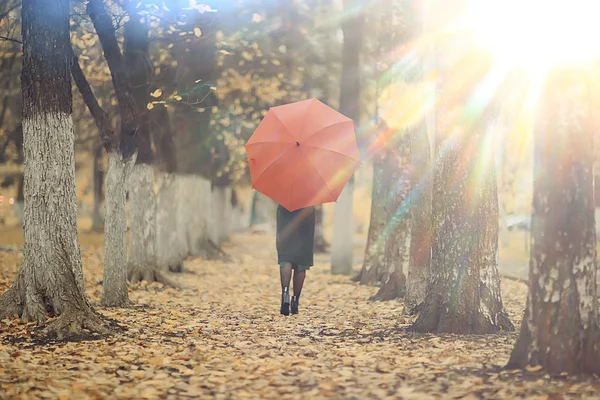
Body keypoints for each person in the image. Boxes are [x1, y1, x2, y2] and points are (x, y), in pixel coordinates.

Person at [276, 204, 315, 316]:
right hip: (306, 216)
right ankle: (295, 301)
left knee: (286, 258)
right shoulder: (311, 192)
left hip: (285, 213)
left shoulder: (283, 190)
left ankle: (285, 295)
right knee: (301, 263)